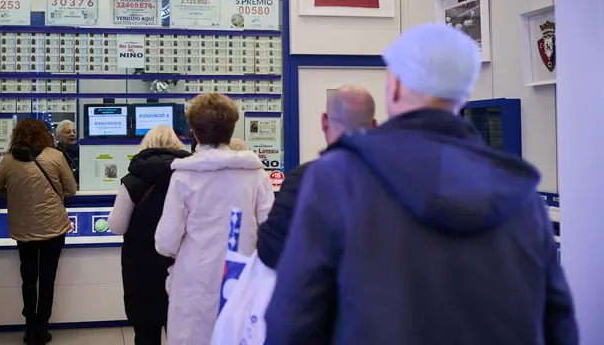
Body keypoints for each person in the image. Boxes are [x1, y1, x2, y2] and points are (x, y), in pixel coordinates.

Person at [266, 23, 578, 344]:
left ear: (396, 86)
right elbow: (560, 326)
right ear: (462, 94)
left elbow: (291, 323)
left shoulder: (338, 178)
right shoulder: (521, 193)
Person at [155, 93, 275, 345]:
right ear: (231, 130)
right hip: (242, 278)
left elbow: (165, 241)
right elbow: (270, 229)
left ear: (193, 132)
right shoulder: (254, 173)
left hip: (194, 281)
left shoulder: (184, 176)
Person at [257, 85, 376, 269]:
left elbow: (270, 249)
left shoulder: (302, 179)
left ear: (324, 122)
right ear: (374, 126)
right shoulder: (393, 181)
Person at [0, 119, 77, 345]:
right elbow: (71, 190)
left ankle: (29, 329)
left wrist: (13, 189)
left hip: (23, 231)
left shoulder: (9, 161)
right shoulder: (55, 157)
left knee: (28, 278)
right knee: (47, 278)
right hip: (54, 229)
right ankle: (42, 329)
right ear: (45, 135)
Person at [108, 126, 191, 345]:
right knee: (181, 333)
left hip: (141, 268)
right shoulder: (192, 176)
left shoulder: (133, 180)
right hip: (182, 265)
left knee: (146, 333)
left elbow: (116, 226)